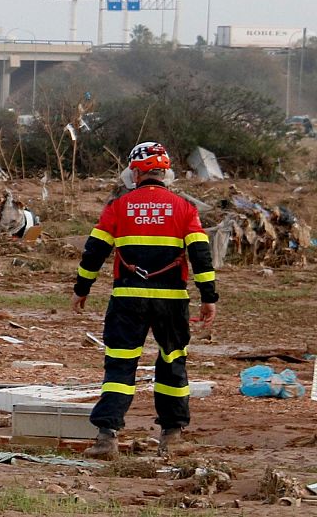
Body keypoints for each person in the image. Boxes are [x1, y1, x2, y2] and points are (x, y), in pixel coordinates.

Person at [72, 142, 219, 459]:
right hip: (171, 303)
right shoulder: (184, 208)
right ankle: (172, 435)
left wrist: (82, 288)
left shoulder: (119, 206)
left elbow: (94, 251)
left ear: (135, 172)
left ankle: (106, 438)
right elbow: (201, 258)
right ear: (164, 173)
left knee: (120, 367)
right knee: (172, 365)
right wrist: (209, 298)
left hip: (128, 301)